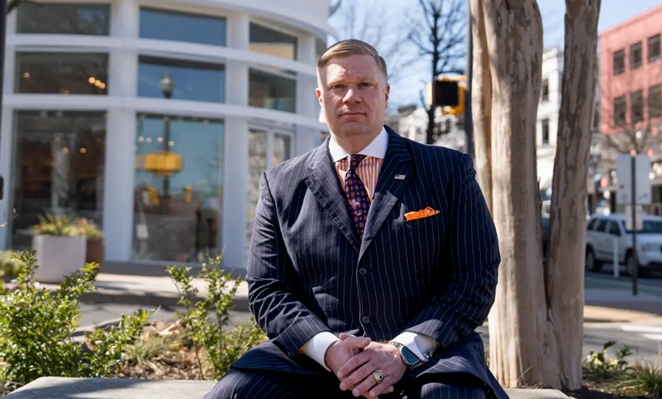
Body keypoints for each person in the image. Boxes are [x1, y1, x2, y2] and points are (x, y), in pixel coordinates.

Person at [205, 39, 507, 399]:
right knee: (235, 394)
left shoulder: (448, 171)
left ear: (386, 93)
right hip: (316, 361)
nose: (351, 96)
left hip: (428, 355)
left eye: (365, 84)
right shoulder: (281, 183)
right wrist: (329, 350)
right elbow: (268, 289)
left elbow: (475, 276)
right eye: (338, 87)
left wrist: (401, 351)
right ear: (321, 98)